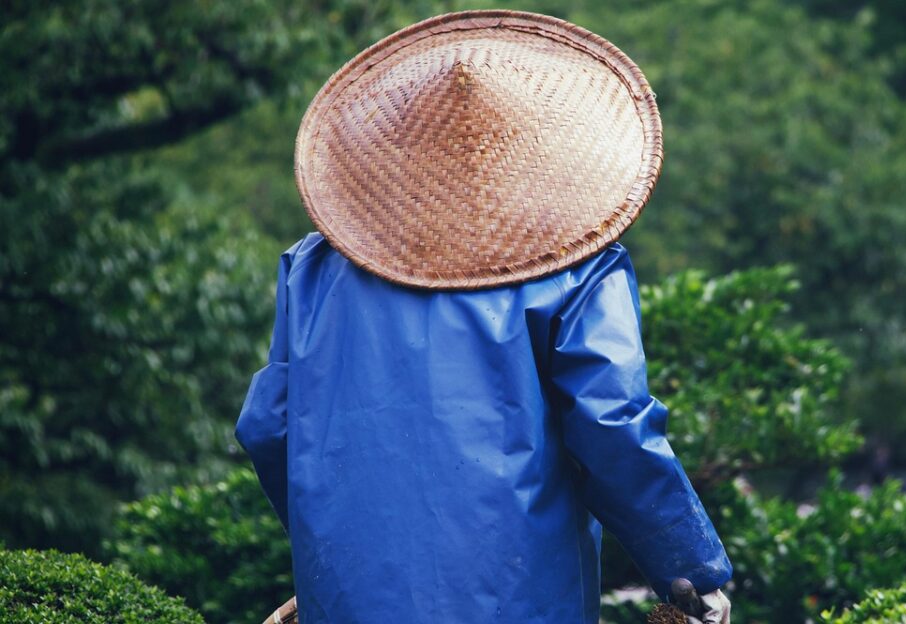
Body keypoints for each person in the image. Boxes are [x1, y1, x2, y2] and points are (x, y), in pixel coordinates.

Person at [236, 10, 732, 624]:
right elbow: (611, 423)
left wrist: (336, 553)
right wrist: (692, 573)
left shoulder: (311, 268)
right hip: (522, 601)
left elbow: (267, 427)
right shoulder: (574, 267)